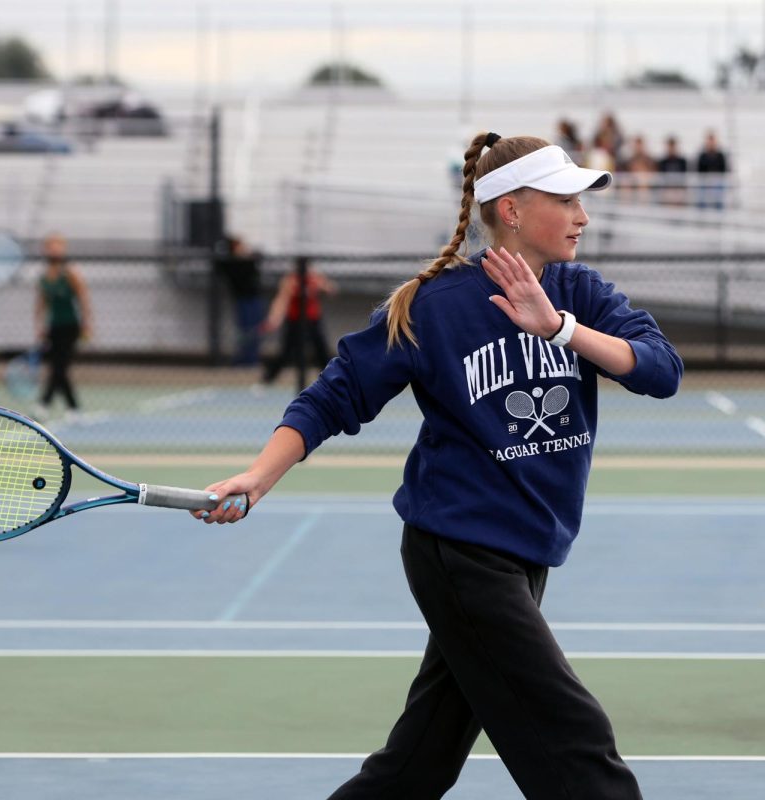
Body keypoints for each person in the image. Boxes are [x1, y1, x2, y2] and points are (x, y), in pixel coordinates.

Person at [193, 132, 682, 799]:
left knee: (418, 764)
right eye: (565, 198)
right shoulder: (435, 306)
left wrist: (560, 329)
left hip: (528, 550)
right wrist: (261, 473)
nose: (582, 216)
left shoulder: (580, 292)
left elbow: (661, 371)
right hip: (459, 551)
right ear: (511, 209)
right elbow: (337, 395)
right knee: (574, 743)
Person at [34, 233, 91, 420]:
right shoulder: (43, 277)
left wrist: (87, 324)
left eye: (58, 246)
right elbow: (41, 304)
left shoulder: (71, 273)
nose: (54, 249)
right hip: (53, 326)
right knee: (58, 368)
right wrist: (39, 326)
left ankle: (45, 403)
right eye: (50, 246)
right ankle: (72, 408)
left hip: (71, 326)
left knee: (59, 367)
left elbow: (83, 299)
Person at [254, 262, 336, 389]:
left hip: (313, 320)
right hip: (295, 321)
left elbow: (331, 289)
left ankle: (332, 378)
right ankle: (267, 379)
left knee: (321, 350)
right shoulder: (290, 280)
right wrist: (274, 319)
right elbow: (281, 300)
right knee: (286, 352)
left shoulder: (314, 277)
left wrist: (320, 286)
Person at [224, 235, 265, 367]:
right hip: (243, 299)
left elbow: (257, 262)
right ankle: (245, 358)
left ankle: (252, 358)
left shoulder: (249, 260)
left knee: (254, 328)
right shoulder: (232, 263)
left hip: (253, 298)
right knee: (245, 329)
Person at [695, 129, 729, 210]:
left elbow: (723, 170)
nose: (711, 143)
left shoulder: (720, 155)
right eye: (709, 140)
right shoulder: (702, 155)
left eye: (712, 140)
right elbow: (700, 170)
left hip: (717, 181)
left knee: (718, 192)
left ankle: (719, 214)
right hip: (705, 181)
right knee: (701, 194)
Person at [621, 134, 658, 204]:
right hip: (633, 181)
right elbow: (628, 171)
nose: (638, 147)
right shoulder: (630, 159)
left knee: (643, 182)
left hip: (645, 181)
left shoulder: (648, 159)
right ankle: (626, 204)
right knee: (625, 183)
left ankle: (643, 204)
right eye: (636, 145)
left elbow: (653, 172)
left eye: (639, 144)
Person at [657, 136, 689, 207]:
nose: (671, 148)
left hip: (678, 188)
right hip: (667, 189)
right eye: (670, 146)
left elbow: (684, 177)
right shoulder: (663, 162)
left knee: (680, 195)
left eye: (673, 146)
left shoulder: (682, 161)